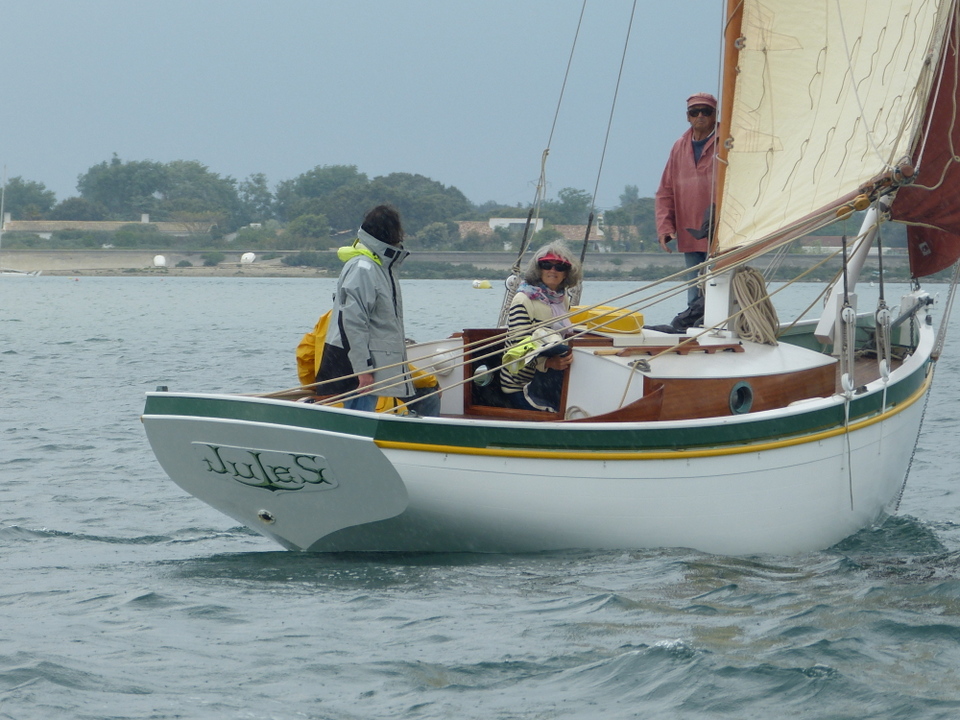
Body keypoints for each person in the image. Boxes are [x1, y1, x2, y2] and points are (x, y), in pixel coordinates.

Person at [315, 205, 414, 412]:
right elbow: (353, 322)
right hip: (352, 364)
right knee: (353, 423)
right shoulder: (365, 268)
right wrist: (363, 370)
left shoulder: (380, 266)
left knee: (356, 420)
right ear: (393, 234)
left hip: (361, 361)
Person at [499, 242, 581, 413]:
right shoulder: (524, 300)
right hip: (520, 385)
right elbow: (518, 347)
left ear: (567, 273)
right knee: (561, 414)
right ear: (538, 269)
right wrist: (548, 363)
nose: (553, 270)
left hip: (547, 380)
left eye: (560, 266)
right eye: (546, 264)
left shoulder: (561, 298)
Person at [655, 91, 718, 306]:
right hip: (690, 232)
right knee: (694, 291)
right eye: (695, 112)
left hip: (721, 234)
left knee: (720, 288)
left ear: (715, 114)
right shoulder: (678, 146)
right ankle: (694, 328)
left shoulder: (727, 142)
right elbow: (665, 191)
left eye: (706, 111)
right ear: (688, 116)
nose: (700, 116)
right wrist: (665, 228)